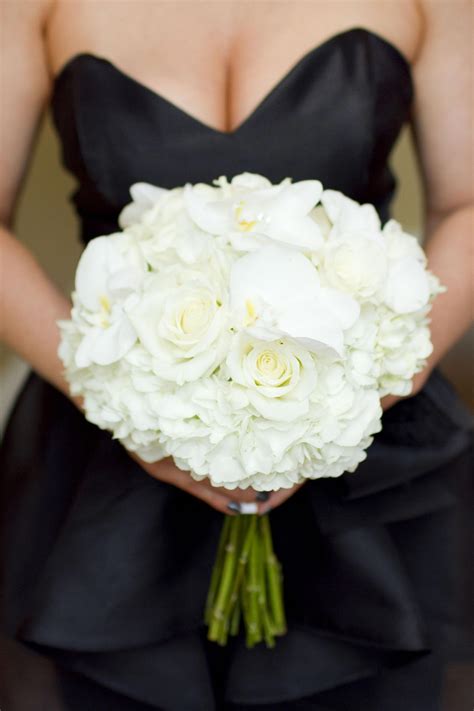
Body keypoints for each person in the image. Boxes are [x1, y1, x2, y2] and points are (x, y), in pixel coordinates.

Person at [0, 1, 472, 709]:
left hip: (370, 456)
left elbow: (469, 203)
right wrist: (120, 400)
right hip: (102, 453)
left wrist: (336, 410)